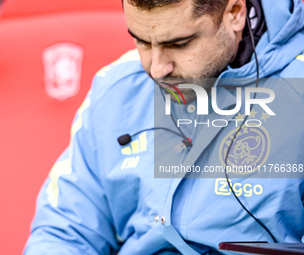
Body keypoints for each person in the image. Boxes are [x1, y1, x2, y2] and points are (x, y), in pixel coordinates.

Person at [24, 0, 304, 254]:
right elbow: (65, 232)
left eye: (179, 43)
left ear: (234, 13)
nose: (157, 69)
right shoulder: (117, 87)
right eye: (142, 41)